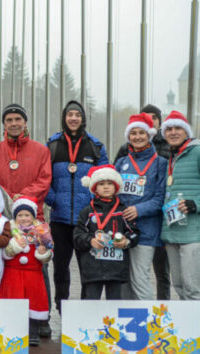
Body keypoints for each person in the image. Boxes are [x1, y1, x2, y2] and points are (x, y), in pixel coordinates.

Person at [45, 100, 109, 313]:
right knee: (61, 268)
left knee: (88, 268)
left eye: (77, 115)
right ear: (64, 118)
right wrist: (53, 200)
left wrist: (93, 206)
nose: (73, 118)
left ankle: (85, 309)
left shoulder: (96, 146)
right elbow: (44, 178)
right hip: (59, 219)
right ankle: (61, 307)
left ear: (83, 119)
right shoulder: (53, 145)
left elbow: (105, 179)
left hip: (87, 221)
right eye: (69, 114)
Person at [114, 103, 171, 301]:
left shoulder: (160, 163)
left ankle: (148, 324)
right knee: (123, 280)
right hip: (122, 228)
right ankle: (125, 326)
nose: (137, 137)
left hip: (146, 231)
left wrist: (139, 209)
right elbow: (114, 193)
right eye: (133, 133)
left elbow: (160, 198)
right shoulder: (122, 162)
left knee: (140, 279)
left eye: (142, 133)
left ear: (150, 135)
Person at [74, 165, 139, 300]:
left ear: (116, 187)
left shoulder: (123, 211)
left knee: (114, 306)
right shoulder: (87, 211)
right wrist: (90, 240)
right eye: (101, 184)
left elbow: (135, 233)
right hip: (93, 268)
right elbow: (77, 235)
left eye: (110, 183)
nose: (106, 187)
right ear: (94, 188)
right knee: (91, 303)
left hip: (116, 269)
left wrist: (126, 241)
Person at [0, 196, 53, 347]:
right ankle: (13, 331)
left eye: (27, 215)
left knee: (34, 303)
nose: (23, 218)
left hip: (33, 274)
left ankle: (33, 332)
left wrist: (43, 252)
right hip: (13, 273)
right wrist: (13, 247)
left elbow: (49, 253)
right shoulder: (9, 229)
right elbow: (4, 253)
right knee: (13, 301)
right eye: (20, 215)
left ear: (33, 216)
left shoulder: (41, 230)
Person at [160, 111, 200, 300]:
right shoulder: (171, 156)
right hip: (173, 232)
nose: (173, 132)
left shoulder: (197, 151)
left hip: (193, 233)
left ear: (186, 132)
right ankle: (189, 326)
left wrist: (196, 204)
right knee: (179, 284)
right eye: (169, 129)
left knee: (193, 287)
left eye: (178, 128)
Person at [0, 103, 51, 220]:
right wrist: (11, 197)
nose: (14, 123)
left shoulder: (41, 150)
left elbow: (44, 180)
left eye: (18, 119)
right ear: (4, 124)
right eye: (9, 120)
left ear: (25, 122)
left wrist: (24, 196)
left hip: (32, 216)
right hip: (2, 217)